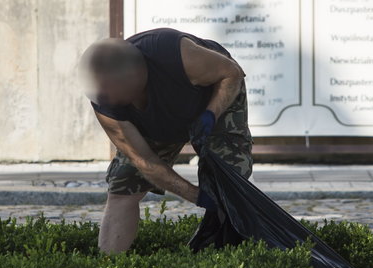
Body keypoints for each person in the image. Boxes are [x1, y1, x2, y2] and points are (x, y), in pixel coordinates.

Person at [79, 27, 253, 253]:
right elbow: (145, 163)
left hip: (215, 98)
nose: (116, 108)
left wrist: (211, 114)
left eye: (124, 100)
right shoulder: (105, 103)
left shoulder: (176, 55)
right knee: (124, 184)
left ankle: (229, 259)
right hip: (158, 123)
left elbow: (232, 73)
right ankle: (109, 263)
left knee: (229, 180)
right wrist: (196, 195)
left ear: (139, 79)